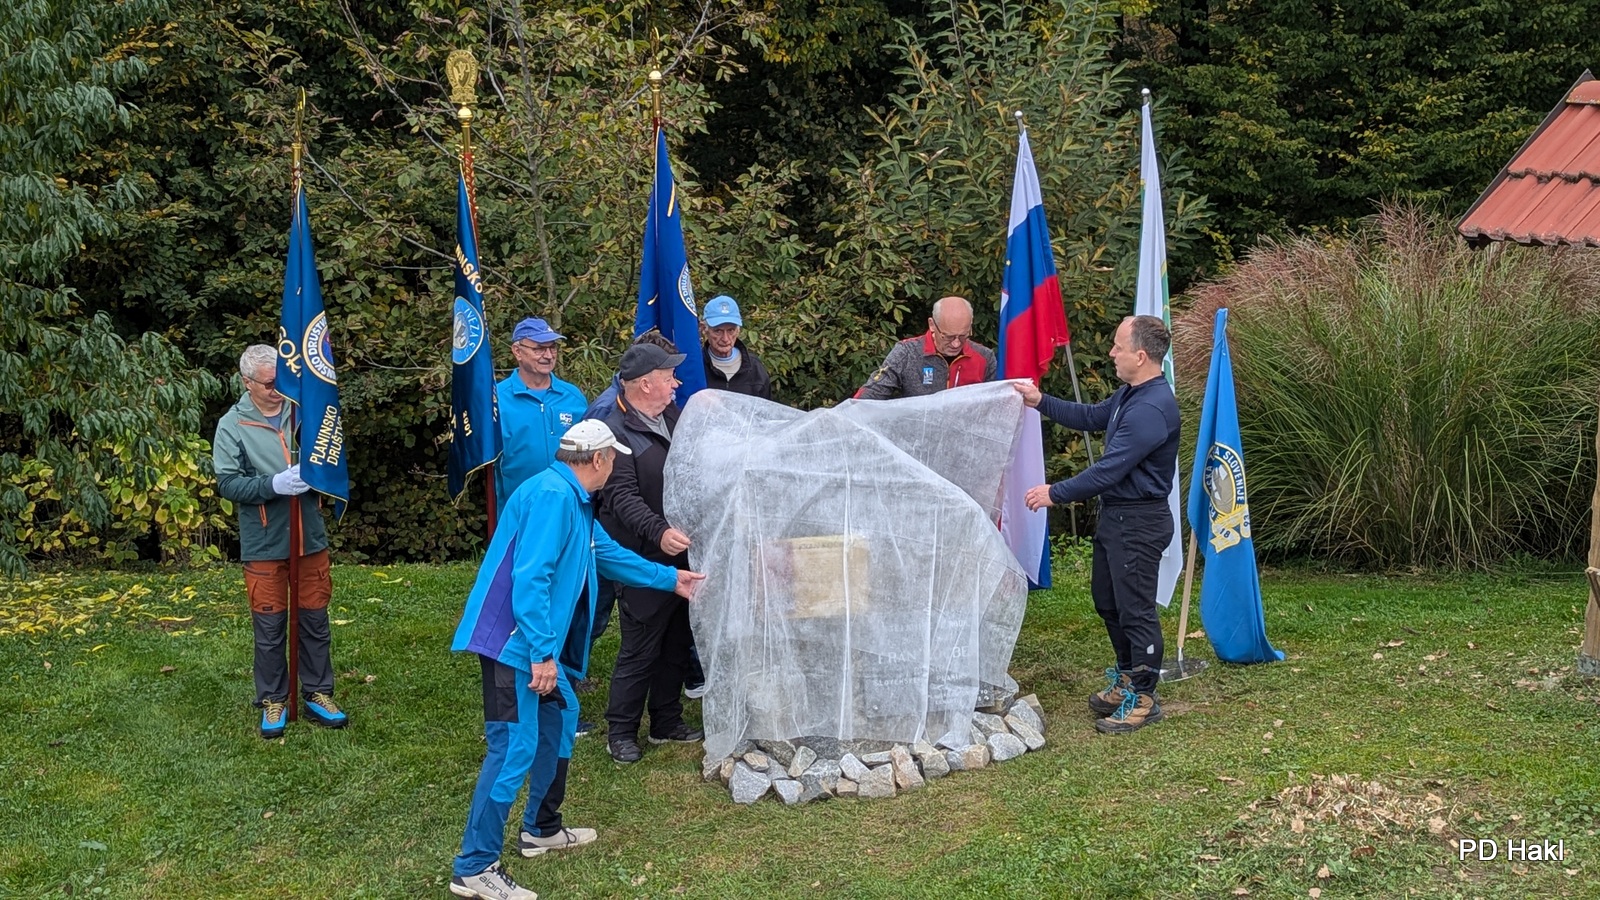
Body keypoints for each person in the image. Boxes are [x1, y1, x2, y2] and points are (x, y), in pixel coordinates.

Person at [448, 420, 705, 900]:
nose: (616, 466)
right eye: (614, 459)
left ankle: (541, 829)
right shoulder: (552, 497)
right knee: (512, 748)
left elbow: (608, 554)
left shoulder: (574, 498)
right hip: (512, 646)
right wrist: (543, 655)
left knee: (562, 714)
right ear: (599, 459)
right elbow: (532, 579)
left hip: (529, 646)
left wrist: (672, 580)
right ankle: (474, 867)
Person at [1014, 315, 1180, 734]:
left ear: (1140, 356)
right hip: (1117, 518)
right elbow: (1092, 416)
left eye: (1118, 347)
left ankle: (1144, 697)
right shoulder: (1131, 393)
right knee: (1108, 603)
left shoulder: (1152, 408)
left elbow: (1109, 469)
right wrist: (1039, 400)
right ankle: (1127, 678)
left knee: (1135, 611)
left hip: (1139, 522)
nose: (1111, 353)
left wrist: (1055, 493)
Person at [212, 344, 347, 738]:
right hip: (265, 539)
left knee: (315, 620)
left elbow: (331, 457)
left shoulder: (304, 411)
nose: (278, 390)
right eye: (270, 384)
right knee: (270, 627)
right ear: (247, 382)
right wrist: (273, 484)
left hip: (309, 534)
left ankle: (318, 692)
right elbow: (228, 483)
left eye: (282, 381)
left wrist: (316, 474)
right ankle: (273, 698)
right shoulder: (232, 425)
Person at [599, 343, 704, 763]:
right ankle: (621, 731)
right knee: (640, 647)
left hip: (683, 554)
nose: (676, 383)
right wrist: (658, 532)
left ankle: (666, 720)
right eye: (668, 377)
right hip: (642, 557)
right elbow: (621, 497)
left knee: (677, 641)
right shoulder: (614, 433)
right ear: (645, 384)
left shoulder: (673, 417)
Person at [496, 317, 588, 504]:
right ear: (517, 351)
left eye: (552, 348)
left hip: (569, 505)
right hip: (518, 507)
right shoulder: (497, 400)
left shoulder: (573, 397)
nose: (548, 355)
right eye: (539, 349)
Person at [854, 296, 997, 399]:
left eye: (963, 336)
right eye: (948, 337)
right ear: (932, 325)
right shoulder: (906, 352)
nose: (956, 343)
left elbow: (996, 404)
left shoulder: (985, 357)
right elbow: (873, 391)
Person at [700, 295, 772, 399]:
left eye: (731, 330)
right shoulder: (696, 366)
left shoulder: (754, 368)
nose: (725, 339)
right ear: (704, 329)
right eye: (718, 331)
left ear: (738, 331)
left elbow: (765, 407)